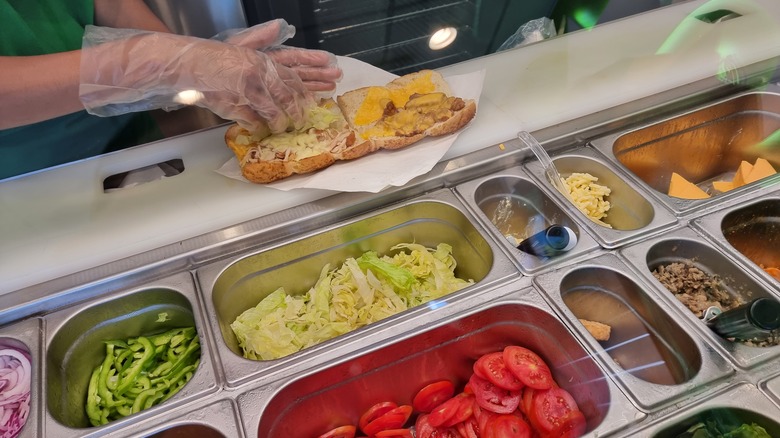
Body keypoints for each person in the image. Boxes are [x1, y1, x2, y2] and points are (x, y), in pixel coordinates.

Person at [0, 0, 342, 180]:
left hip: (138, 149)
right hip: (28, 181)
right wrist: (161, 62)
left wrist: (198, 57)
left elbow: (114, 5)